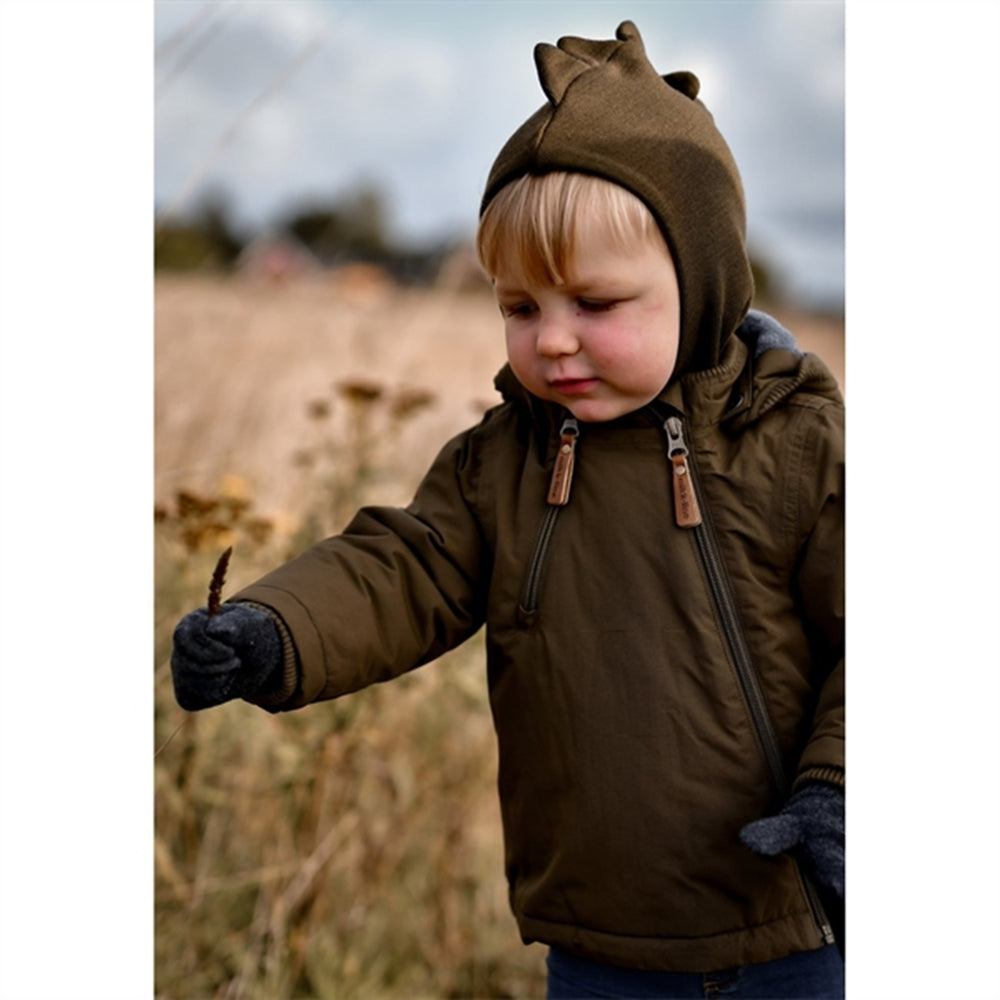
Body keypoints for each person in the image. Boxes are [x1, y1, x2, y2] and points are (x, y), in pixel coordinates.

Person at [171, 21, 844, 1000]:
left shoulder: (790, 444)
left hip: (789, 930)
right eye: (521, 308)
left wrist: (842, 793)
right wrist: (273, 630)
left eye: (594, 304)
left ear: (700, 285)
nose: (553, 340)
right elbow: (404, 567)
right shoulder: (506, 460)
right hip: (591, 939)